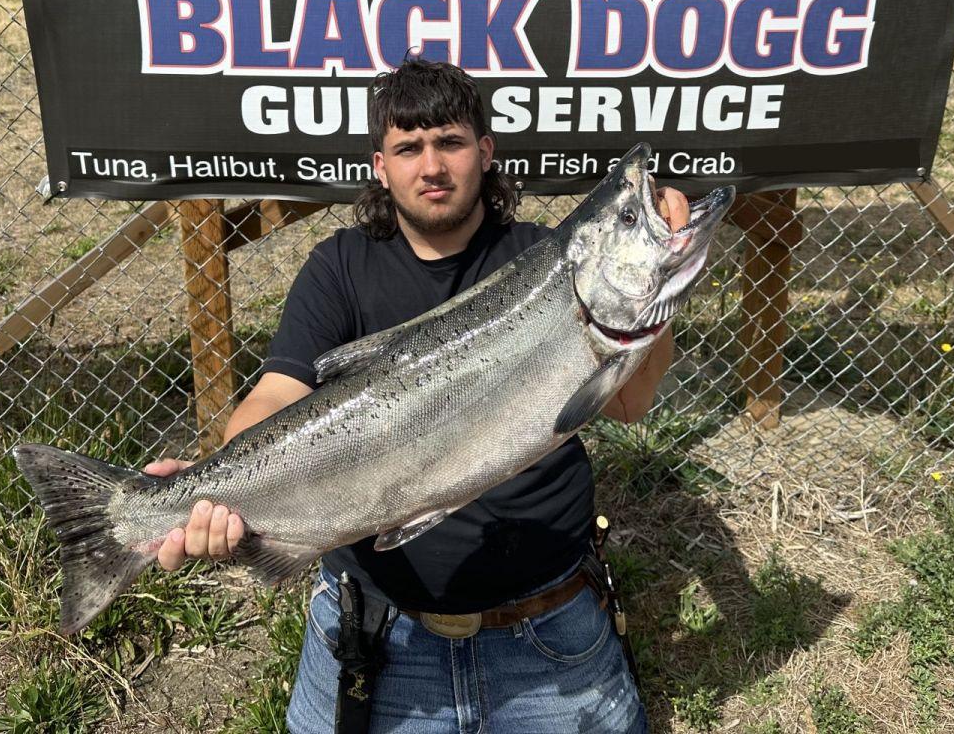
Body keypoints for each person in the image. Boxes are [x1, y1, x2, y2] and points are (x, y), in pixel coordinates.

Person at [144, 57, 689, 733]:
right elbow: (275, 397)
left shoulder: (545, 260)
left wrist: (659, 285)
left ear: (484, 152)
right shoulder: (339, 267)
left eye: (450, 143)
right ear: (381, 166)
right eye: (409, 148)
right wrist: (214, 491)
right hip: (378, 633)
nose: (431, 167)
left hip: (547, 626)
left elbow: (629, 404)